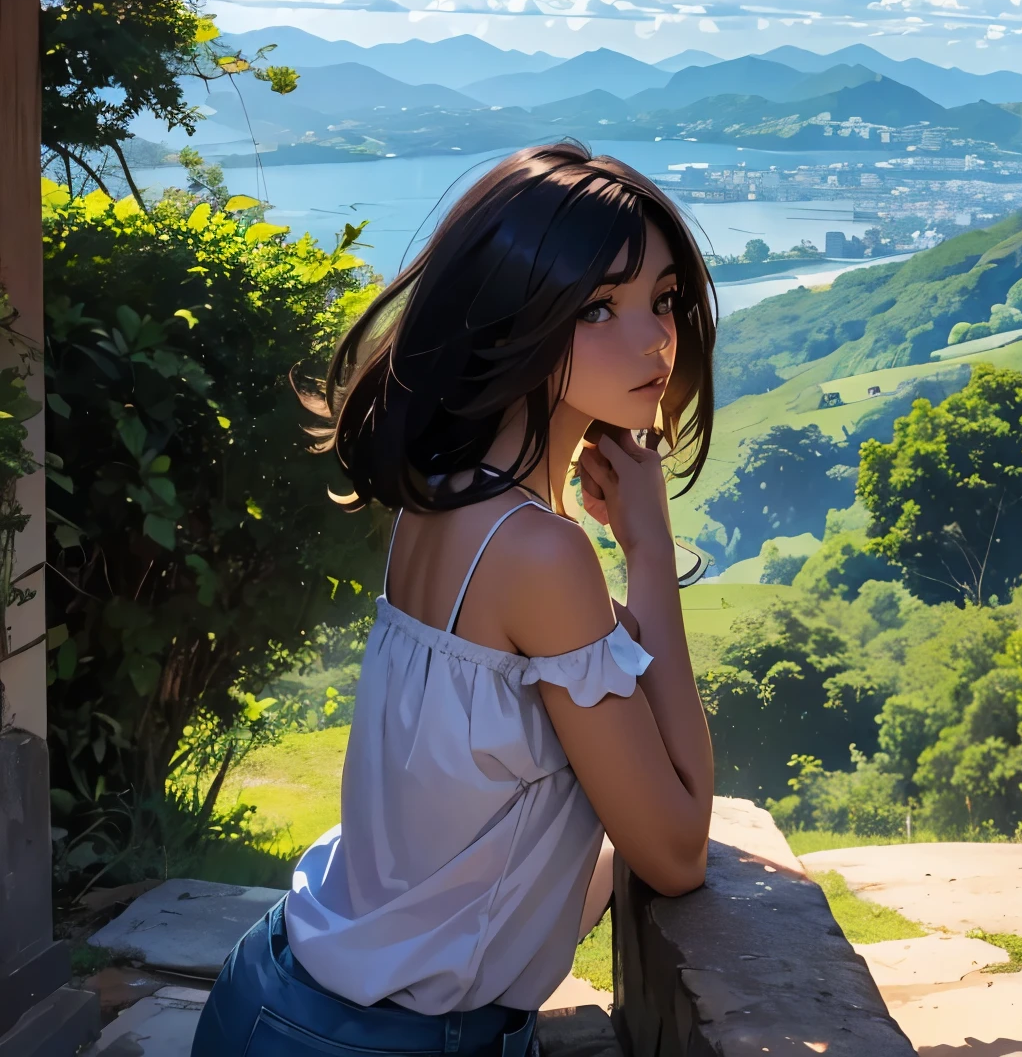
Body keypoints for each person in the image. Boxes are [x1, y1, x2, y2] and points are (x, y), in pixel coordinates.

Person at [193, 142, 717, 1056]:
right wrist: (649, 548)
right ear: (511, 316)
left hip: (282, 994)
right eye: (599, 306)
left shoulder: (445, 493)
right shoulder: (539, 553)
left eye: (663, 300)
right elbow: (677, 850)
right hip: (364, 1041)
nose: (655, 341)